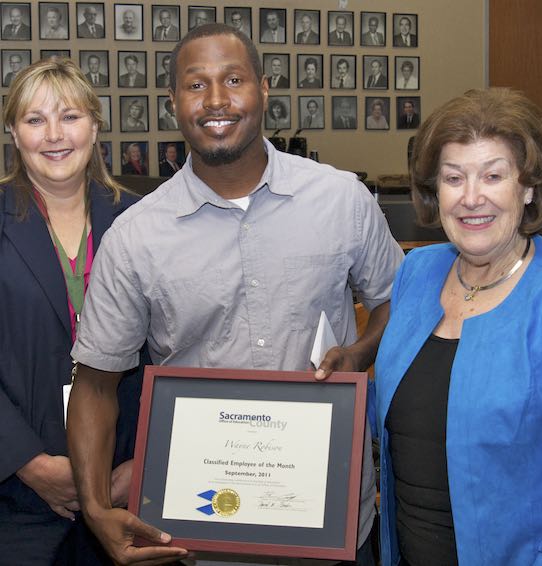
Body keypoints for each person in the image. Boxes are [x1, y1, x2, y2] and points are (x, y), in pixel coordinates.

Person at [68, 22, 404, 566]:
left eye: (233, 80)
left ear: (264, 89)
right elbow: (95, 383)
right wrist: (93, 507)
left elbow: (397, 303)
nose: (216, 101)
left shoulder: (342, 200)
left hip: (331, 518)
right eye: (196, 85)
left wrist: (358, 353)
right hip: (193, 537)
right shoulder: (135, 236)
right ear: (173, 101)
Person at [375, 88, 542, 565]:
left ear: (528, 187)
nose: (471, 197)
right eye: (453, 178)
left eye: (493, 175)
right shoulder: (418, 273)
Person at [0, 56, 144, 565]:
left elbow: (181, 349)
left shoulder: (143, 221)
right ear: (14, 135)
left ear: (96, 126)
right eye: (35, 120)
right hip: (17, 502)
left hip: (129, 485)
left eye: (70, 116)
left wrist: (143, 462)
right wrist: (27, 462)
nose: (54, 135)